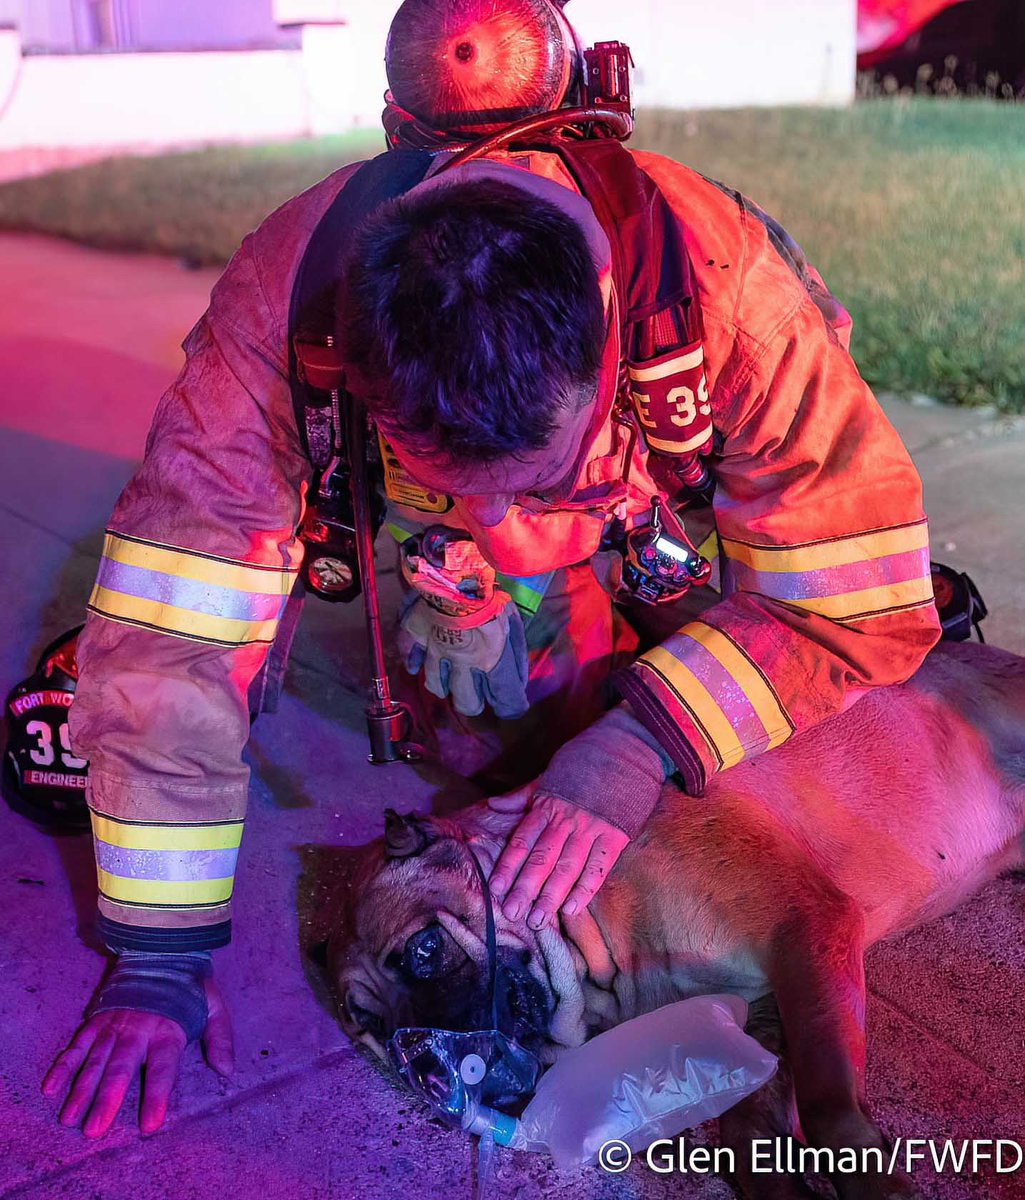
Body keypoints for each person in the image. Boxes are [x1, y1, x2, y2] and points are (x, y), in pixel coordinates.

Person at [41, 6, 941, 1142]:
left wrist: (638, 740)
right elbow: (172, 619)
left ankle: (664, 624)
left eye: (530, 473)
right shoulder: (285, 296)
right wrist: (158, 962)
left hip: (674, 515)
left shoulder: (725, 291)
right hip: (488, 568)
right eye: (441, 470)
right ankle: (586, 624)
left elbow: (856, 590)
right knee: (500, 743)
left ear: (608, 338)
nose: (499, 521)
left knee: (769, 715)